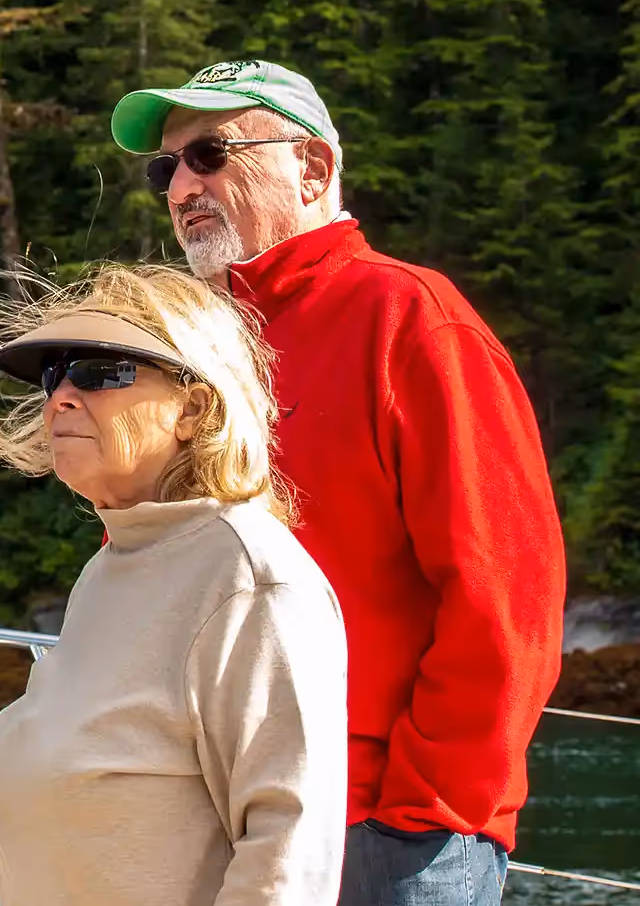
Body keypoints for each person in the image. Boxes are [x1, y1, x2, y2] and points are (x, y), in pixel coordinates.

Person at [112, 59, 566, 906]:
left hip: (383, 833)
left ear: (314, 168)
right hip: (214, 818)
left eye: (208, 154)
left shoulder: (412, 320)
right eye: (163, 168)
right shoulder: (193, 349)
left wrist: (424, 810)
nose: (180, 186)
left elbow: (507, 596)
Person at [0, 263, 348, 906]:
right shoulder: (112, 569)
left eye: (98, 371)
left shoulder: (248, 575)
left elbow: (289, 857)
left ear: (194, 407)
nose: (60, 396)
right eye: (53, 373)